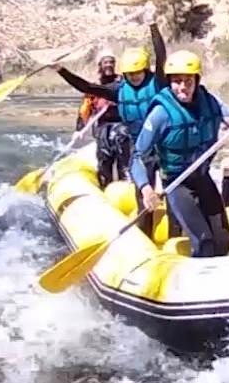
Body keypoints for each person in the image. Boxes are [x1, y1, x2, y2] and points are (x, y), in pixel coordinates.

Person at [129, 50, 229, 258]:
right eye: (177, 81)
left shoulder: (211, 102)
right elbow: (137, 156)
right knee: (204, 241)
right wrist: (146, 190)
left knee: (224, 238)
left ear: (197, 80)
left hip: (202, 178)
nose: (182, 87)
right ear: (170, 82)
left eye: (188, 81)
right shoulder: (161, 113)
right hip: (177, 183)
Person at [55, 21, 168, 234]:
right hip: (140, 148)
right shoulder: (118, 90)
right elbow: (87, 87)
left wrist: (152, 26)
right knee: (143, 195)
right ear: (124, 73)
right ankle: (144, 235)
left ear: (145, 70)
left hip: (166, 143)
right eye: (130, 73)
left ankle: (176, 234)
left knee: (172, 192)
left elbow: (161, 55)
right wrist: (61, 70)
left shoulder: (158, 82)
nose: (134, 76)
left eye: (138, 72)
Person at [72, 49, 118, 132]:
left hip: (119, 123)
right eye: (106, 62)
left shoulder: (121, 82)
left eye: (111, 62)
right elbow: (84, 110)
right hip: (101, 125)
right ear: (100, 65)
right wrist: (79, 130)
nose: (109, 65)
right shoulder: (94, 87)